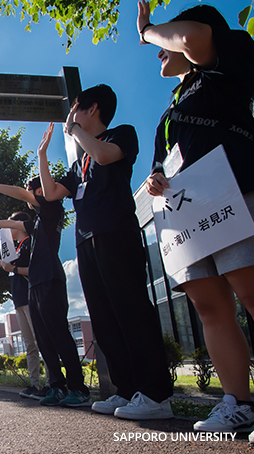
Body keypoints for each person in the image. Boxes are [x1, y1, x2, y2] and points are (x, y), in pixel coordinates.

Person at [138, 1, 254, 433]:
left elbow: (189, 39)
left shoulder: (228, 58)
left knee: (250, 288)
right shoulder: (173, 103)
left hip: (234, 191)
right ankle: (238, 402)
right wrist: (154, 179)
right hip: (186, 215)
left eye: (162, 41)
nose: (157, 50)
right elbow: (161, 161)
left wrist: (148, 28)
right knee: (209, 306)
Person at [38, 84, 173, 420]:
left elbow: (103, 155)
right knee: (103, 317)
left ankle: (155, 394)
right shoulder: (80, 159)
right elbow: (52, 192)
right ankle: (127, 391)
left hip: (116, 232)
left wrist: (74, 131)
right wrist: (42, 156)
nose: (72, 116)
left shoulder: (121, 135)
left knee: (131, 310)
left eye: (76, 109)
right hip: (86, 240)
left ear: (92, 109)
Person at [0, 162, 91, 407]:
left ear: (41, 192)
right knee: (44, 340)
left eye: (32, 190)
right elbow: (12, 225)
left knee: (59, 336)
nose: (29, 195)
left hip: (50, 280)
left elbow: (21, 193)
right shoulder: (37, 223)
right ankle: (57, 387)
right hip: (35, 285)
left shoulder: (52, 210)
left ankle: (78, 389)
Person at [0, 206, 42, 396]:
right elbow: (0, 264)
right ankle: (35, 384)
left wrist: (13, 268)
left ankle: (54, 384)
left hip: (31, 298)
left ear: (20, 225)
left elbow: (34, 270)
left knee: (40, 341)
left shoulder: (30, 243)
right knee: (29, 345)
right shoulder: (16, 248)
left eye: (10, 224)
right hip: (19, 300)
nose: (7, 228)